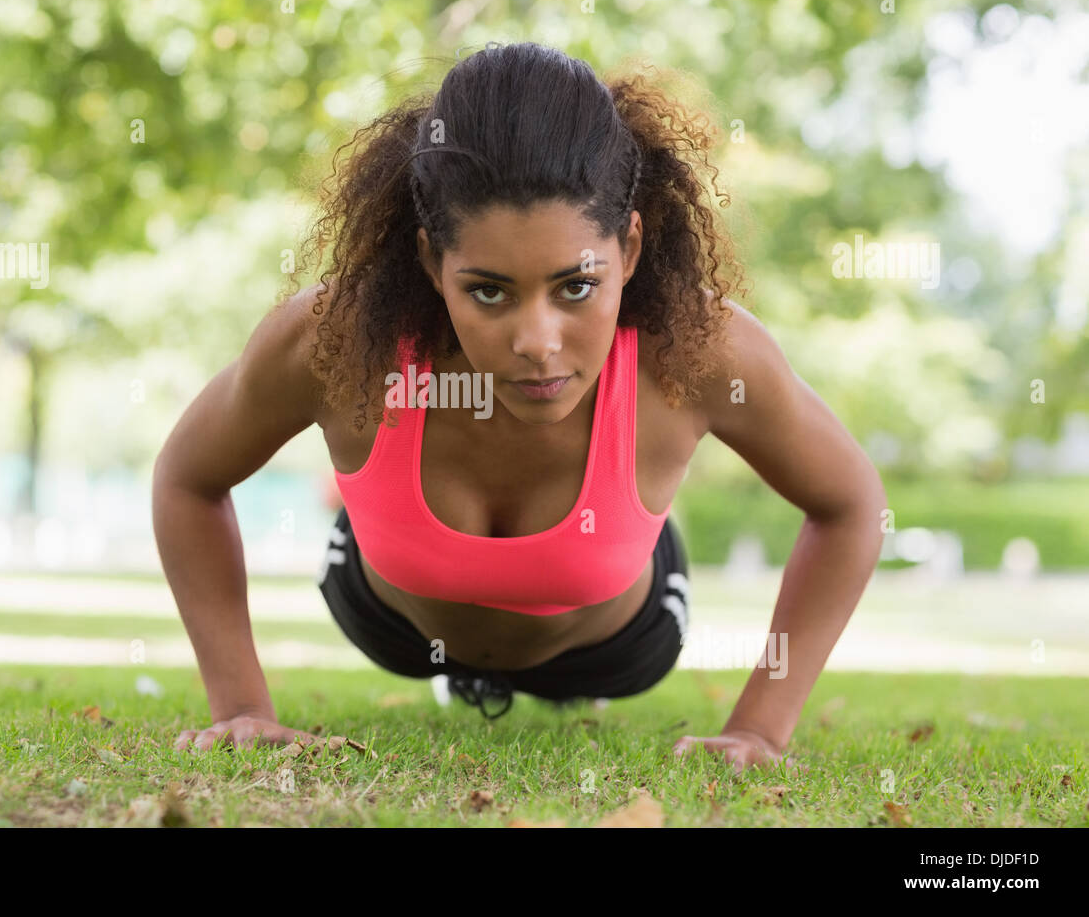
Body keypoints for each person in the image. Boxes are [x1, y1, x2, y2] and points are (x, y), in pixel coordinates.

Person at [155, 42, 886, 774]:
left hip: (610, 650)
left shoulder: (700, 352)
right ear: (429, 262)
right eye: (488, 291)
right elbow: (187, 478)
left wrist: (760, 728)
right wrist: (242, 707)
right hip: (394, 626)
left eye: (576, 286)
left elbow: (851, 503)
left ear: (628, 249)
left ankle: (621, 546)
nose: (537, 343)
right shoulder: (332, 341)